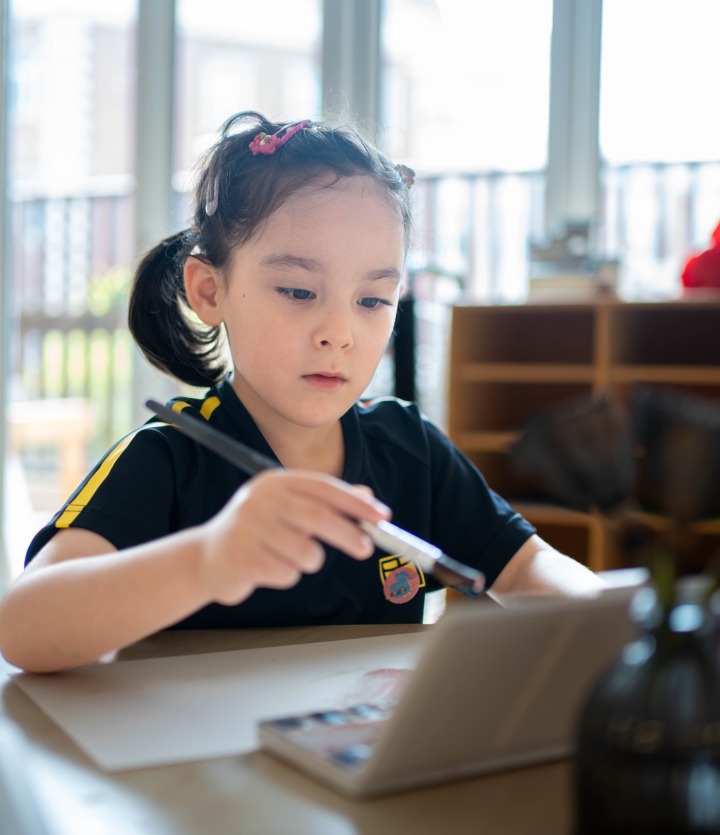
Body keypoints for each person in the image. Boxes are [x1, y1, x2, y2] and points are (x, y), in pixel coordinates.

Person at [0, 111, 604, 673]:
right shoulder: (166, 459)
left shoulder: (409, 449)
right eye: (297, 292)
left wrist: (614, 622)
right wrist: (208, 561)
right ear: (210, 291)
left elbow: (526, 568)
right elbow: (23, 628)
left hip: (351, 769)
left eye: (372, 300)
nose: (338, 334)